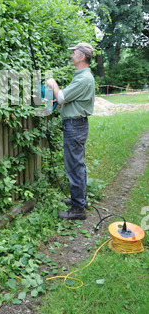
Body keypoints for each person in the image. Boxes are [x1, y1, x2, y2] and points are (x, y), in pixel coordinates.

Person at [46, 43, 95, 220]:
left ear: (82, 57)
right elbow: (69, 100)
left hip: (75, 126)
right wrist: (61, 102)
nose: (71, 55)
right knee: (77, 165)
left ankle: (78, 210)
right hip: (76, 125)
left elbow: (62, 96)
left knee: (74, 166)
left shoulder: (84, 78)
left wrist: (53, 83)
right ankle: (80, 200)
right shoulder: (82, 77)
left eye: (74, 52)